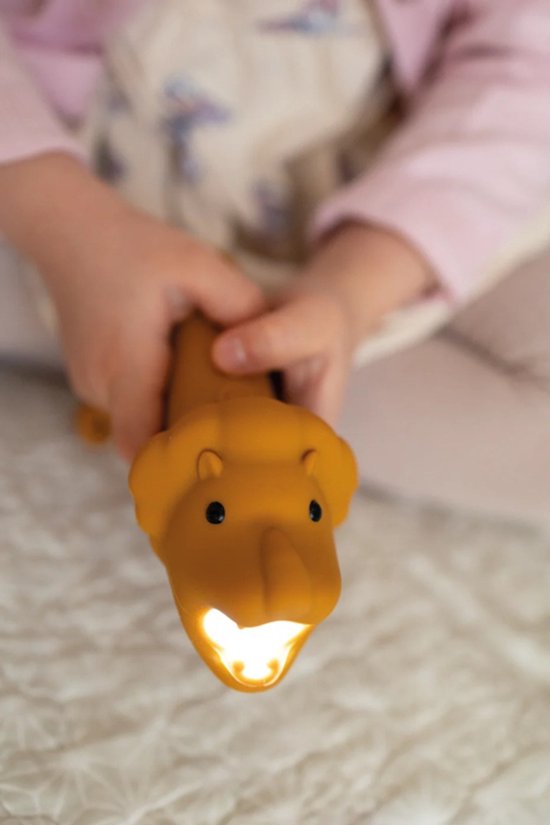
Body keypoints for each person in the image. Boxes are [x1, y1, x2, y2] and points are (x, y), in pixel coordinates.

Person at [1, 0, 550, 526]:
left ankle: (211, 373)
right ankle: (138, 359)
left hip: (384, 174)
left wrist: (356, 288)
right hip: (65, 166)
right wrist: (70, 229)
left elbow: (528, 68)